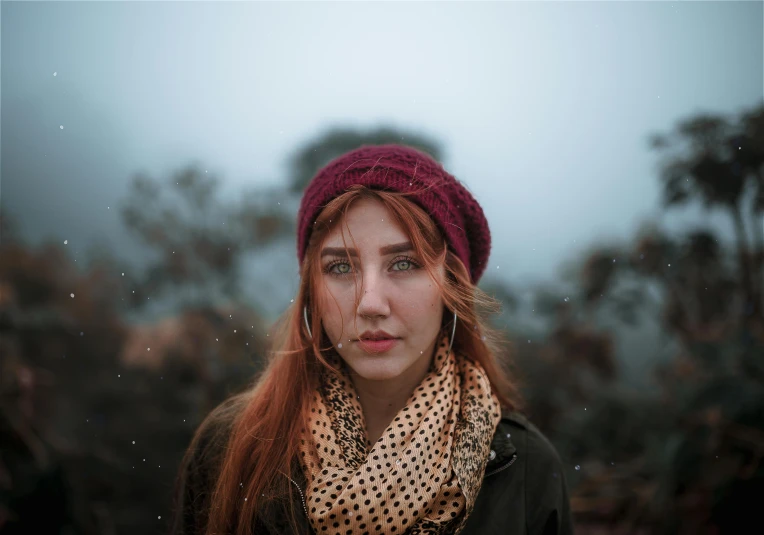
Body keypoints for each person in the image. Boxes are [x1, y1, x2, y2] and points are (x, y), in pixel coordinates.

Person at [170, 144, 573, 535]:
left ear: (451, 285)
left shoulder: (524, 471)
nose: (370, 303)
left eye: (404, 262)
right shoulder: (233, 447)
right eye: (341, 266)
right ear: (312, 288)